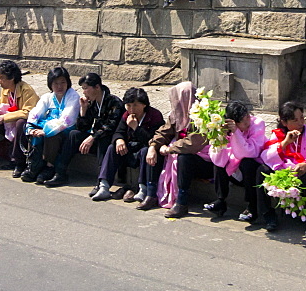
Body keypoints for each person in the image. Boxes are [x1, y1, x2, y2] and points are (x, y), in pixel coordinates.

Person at [257, 100, 306, 237]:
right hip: (286, 174)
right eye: (295, 120)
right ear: (284, 122)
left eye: (302, 118)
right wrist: (285, 143)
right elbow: (266, 157)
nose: (300, 123)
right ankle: (268, 216)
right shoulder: (278, 135)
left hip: (305, 173)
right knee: (262, 171)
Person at [141, 82, 212, 217]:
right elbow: (163, 132)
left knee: (184, 158)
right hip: (178, 151)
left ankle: (181, 202)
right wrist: (153, 146)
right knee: (152, 151)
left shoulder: (204, 117)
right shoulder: (177, 114)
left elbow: (194, 142)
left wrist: (170, 149)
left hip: (204, 159)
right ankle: (151, 194)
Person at [46, 73, 124, 188]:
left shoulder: (114, 102)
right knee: (73, 134)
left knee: (104, 140)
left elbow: (110, 126)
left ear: (97, 87)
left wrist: (92, 137)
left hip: (108, 139)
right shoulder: (91, 102)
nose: (84, 92)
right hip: (94, 137)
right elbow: (83, 127)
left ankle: (101, 182)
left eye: (86, 88)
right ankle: (60, 173)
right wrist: (83, 110)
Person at [92, 87, 165, 202]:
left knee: (146, 150)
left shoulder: (154, 116)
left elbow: (153, 139)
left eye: (135, 105)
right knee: (112, 148)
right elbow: (118, 132)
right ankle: (104, 186)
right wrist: (119, 140)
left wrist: (136, 127)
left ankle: (142, 189)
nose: (131, 109)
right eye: (128, 105)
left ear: (144, 104)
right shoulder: (126, 115)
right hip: (129, 150)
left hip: (144, 151)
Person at [207, 100, 266, 221]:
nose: (248, 122)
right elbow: (215, 157)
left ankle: (252, 206)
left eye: (248, 117)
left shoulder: (258, 124)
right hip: (234, 170)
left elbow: (249, 153)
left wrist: (236, 133)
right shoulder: (226, 129)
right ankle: (220, 200)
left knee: (247, 163)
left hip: (252, 171)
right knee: (220, 159)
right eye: (243, 122)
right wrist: (221, 136)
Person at [23, 67, 81, 184]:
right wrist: (31, 127)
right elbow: (36, 112)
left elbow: (67, 119)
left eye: (63, 83)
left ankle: (50, 167)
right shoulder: (47, 97)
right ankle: (35, 165)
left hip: (66, 128)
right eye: (56, 83)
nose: (59, 86)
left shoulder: (73, 96)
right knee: (34, 130)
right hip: (49, 125)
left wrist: (46, 131)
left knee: (52, 135)